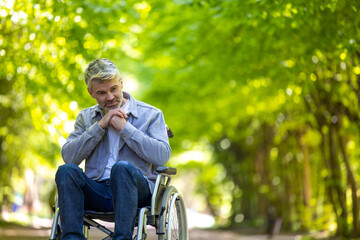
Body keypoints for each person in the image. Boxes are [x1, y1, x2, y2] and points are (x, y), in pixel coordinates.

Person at [55, 58, 171, 240]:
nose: (109, 97)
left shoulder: (151, 114)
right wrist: (100, 126)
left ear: (121, 83)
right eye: (101, 93)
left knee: (122, 167)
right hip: (98, 190)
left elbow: (162, 156)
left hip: (136, 191)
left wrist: (125, 128)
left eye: (113, 89)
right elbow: (69, 157)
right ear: (91, 93)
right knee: (66, 171)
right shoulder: (86, 118)